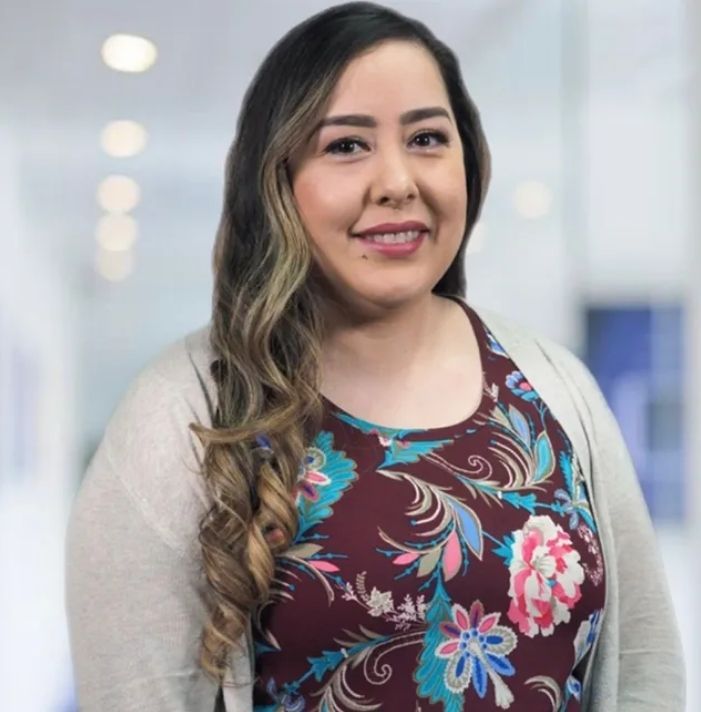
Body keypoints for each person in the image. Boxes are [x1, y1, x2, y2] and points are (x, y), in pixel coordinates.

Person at [65, 2, 686, 710]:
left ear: (468, 164)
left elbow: (643, 672)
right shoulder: (180, 416)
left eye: (426, 137)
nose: (397, 180)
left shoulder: (552, 387)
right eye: (346, 146)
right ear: (277, 179)